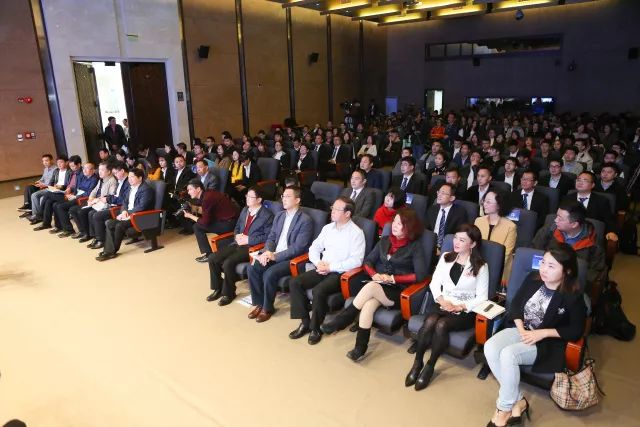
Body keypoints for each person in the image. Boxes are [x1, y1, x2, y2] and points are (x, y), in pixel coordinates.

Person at [484, 244, 586, 427]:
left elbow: (576, 330)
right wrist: (522, 329)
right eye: (543, 263)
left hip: (547, 342)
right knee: (490, 347)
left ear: (567, 271)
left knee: (508, 354)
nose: (543, 269)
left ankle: (503, 409)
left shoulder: (573, 296)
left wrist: (543, 333)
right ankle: (519, 401)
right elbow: (515, 305)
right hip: (522, 329)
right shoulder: (533, 278)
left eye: (551, 266)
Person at [320, 209, 427, 361]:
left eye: (399, 223)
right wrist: (374, 274)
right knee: (368, 305)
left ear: (408, 227)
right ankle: (360, 348)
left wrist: (393, 278)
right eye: (394, 222)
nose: (394, 225)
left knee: (371, 287)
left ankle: (342, 320)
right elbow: (368, 262)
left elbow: (420, 275)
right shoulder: (385, 241)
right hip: (378, 284)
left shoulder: (415, 247)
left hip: (398, 291)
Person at [405, 224, 489, 390]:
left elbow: (482, 297)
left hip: (464, 311)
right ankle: (417, 362)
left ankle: (430, 365)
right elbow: (435, 283)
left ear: (472, 244)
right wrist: (442, 300)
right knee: (430, 321)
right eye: (456, 238)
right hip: (443, 303)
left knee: (441, 325)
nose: (456, 242)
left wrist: (461, 306)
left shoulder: (481, 266)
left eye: (462, 240)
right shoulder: (446, 257)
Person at [288, 196, 366, 345]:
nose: (332, 211)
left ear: (347, 213)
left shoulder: (356, 233)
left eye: (336, 209)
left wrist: (331, 267)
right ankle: (305, 322)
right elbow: (314, 248)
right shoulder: (328, 228)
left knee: (319, 290)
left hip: (340, 273)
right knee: (295, 282)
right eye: (332, 208)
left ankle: (315, 328)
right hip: (322, 267)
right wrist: (318, 263)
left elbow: (356, 261)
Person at [246, 186, 313, 322]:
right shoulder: (280, 215)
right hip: (273, 253)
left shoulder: (305, 220)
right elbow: (271, 237)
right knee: (252, 268)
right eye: (283, 196)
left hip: (292, 259)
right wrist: (267, 252)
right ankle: (259, 303)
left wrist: (275, 256)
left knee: (269, 273)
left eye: (288, 196)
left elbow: (298, 248)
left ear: (297, 200)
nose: (284, 199)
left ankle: (267, 308)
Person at [207, 187, 274, 306]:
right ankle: (218, 288)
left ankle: (229, 293)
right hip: (238, 243)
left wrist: (249, 239)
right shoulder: (245, 210)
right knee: (212, 258)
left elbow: (268, 237)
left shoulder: (267, 215)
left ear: (259, 199)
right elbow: (237, 227)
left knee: (228, 263)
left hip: (251, 247)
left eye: (250, 197)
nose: (247, 198)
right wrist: (237, 236)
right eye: (247, 196)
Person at [532, 200, 606, 295]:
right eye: (556, 216)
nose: (555, 220)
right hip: (545, 278)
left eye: (560, 218)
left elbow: (594, 273)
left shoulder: (593, 243)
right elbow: (534, 253)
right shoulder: (548, 231)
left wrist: (567, 281)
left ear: (574, 224)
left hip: (571, 287)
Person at [95, 168, 154, 261]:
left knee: (119, 225)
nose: (129, 179)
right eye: (129, 177)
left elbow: (142, 207)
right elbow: (125, 203)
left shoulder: (146, 189)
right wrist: (123, 211)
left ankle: (111, 252)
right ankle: (109, 250)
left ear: (140, 178)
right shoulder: (130, 188)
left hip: (140, 217)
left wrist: (128, 213)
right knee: (109, 223)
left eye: (132, 177)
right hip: (129, 215)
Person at [180, 179, 240, 261]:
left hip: (229, 224)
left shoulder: (207, 198)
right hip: (231, 220)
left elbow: (205, 222)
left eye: (190, 189)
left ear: (198, 189)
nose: (188, 192)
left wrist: (190, 216)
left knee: (197, 227)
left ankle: (208, 254)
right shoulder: (208, 193)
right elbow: (208, 212)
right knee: (199, 225)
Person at [475, 190, 517, 282]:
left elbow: (506, 255)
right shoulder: (478, 221)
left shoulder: (510, 227)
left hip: (499, 270)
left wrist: (488, 269)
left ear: (499, 205)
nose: (484, 204)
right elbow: (474, 245)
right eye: (484, 201)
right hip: (477, 265)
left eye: (488, 202)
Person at [562, 171, 618, 239]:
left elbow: (609, 221)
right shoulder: (567, 198)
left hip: (591, 235)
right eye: (578, 180)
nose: (580, 182)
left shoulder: (601, 201)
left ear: (592, 185)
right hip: (569, 233)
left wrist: (611, 232)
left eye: (585, 180)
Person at [425, 183, 468, 249]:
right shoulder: (432, 209)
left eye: (443, 193)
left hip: (448, 246)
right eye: (439, 192)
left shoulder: (460, 212)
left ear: (452, 198)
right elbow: (426, 228)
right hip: (430, 244)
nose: (439, 195)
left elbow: (460, 234)